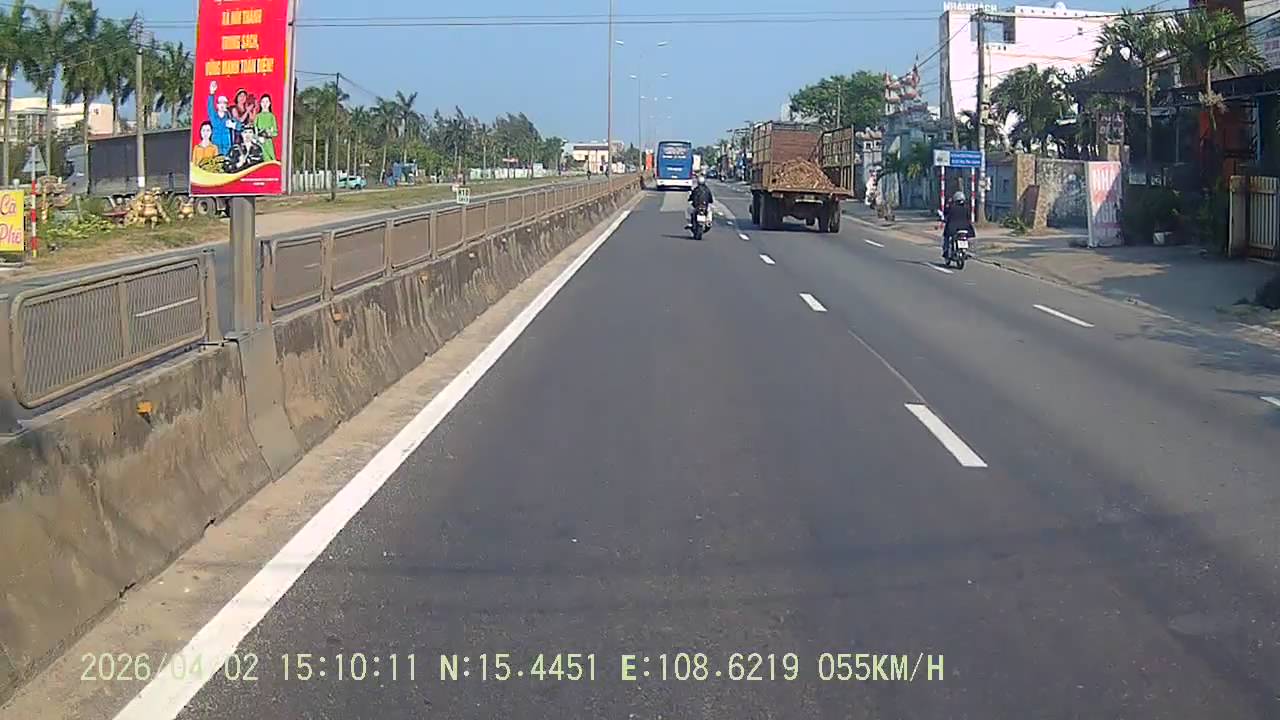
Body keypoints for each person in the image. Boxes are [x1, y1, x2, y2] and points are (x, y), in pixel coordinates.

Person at [206, 81, 238, 156]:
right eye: (220, 102)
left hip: (227, 149)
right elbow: (210, 107)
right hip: (215, 148)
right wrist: (212, 92)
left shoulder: (229, 117)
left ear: (226, 105)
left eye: (224, 103)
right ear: (217, 105)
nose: (222, 105)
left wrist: (234, 125)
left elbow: (240, 126)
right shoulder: (214, 117)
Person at [942, 190, 975, 259]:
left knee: (946, 237)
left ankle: (946, 250)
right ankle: (966, 249)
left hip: (953, 227)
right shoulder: (967, 207)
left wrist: (948, 203)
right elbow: (969, 216)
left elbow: (946, 213)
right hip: (965, 227)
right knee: (966, 238)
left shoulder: (952, 207)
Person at [253, 94, 279, 163]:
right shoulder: (258, 116)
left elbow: (275, 132)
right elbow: (254, 131)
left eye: (267, 102)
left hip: (268, 143)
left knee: (271, 160)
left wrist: (269, 133)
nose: (265, 104)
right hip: (259, 143)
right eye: (263, 102)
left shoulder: (271, 116)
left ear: (270, 103)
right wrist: (258, 138)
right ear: (260, 103)